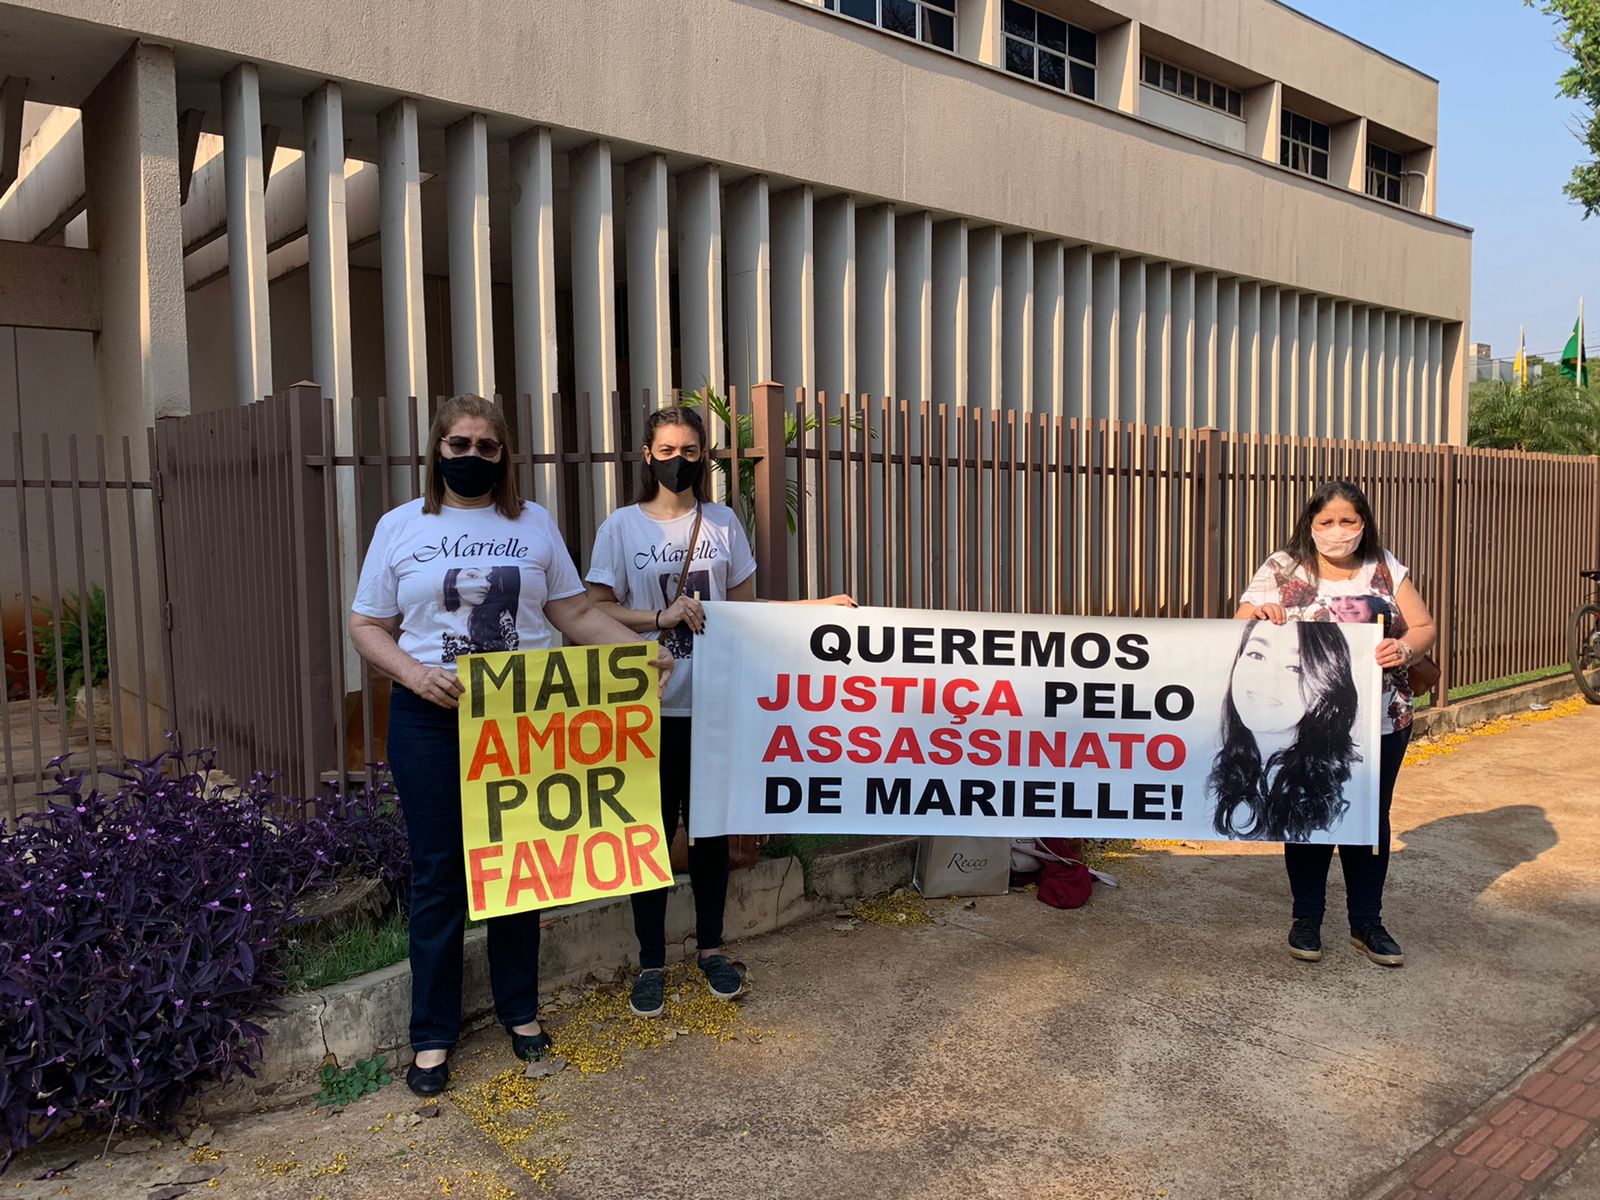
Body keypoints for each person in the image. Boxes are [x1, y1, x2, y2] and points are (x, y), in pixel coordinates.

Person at [350, 394, 672, 1097]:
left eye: (486, 447)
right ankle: (432, 1036)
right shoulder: (401, 526)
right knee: (439, 876)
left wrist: (636, 650)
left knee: (517, 869)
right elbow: (368, 622)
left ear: (505, 454)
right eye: (458, 445)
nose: (472, 457)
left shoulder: (532, 524)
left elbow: (576, 611)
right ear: (436, 450)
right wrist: (412, 672)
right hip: (431, 720)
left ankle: (518, 1012)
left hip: (522, 718)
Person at [585, 405, 854, 1018]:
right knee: (647, 836)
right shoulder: (621, 528)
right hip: (647, 708)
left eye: (690, 449)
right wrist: (659, 618)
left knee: (710, 835)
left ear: (703, 456)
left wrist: (816, 607)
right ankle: (650, 960)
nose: (679, 460)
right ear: (646, 455)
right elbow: (594, 608)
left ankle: (711, 949)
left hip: (713, 707)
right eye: (667, 449)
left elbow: (744, 609)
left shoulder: (724, 521)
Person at [1235, 480, 1435, 968]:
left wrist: (1405, 649)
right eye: (1326, 522)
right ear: (1310, 524)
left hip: (1382, 719)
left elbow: (1424, 626)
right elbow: (1239, 620)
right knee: (1305, 810)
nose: (1337, 531)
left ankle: (1367, 923)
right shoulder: (1282, 568)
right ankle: (1307, 919)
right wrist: (1260, 612)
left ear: (1363, 523)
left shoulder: (1385, 567)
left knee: (1368, 819)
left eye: (1348, 521)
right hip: (1304, 721)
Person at [1210, 619, 1361, 842]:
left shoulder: (1347, 787)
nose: (1267, 677)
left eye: (1294, 667)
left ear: (1324, 685)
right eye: (1256, 655)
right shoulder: (1212, 771)